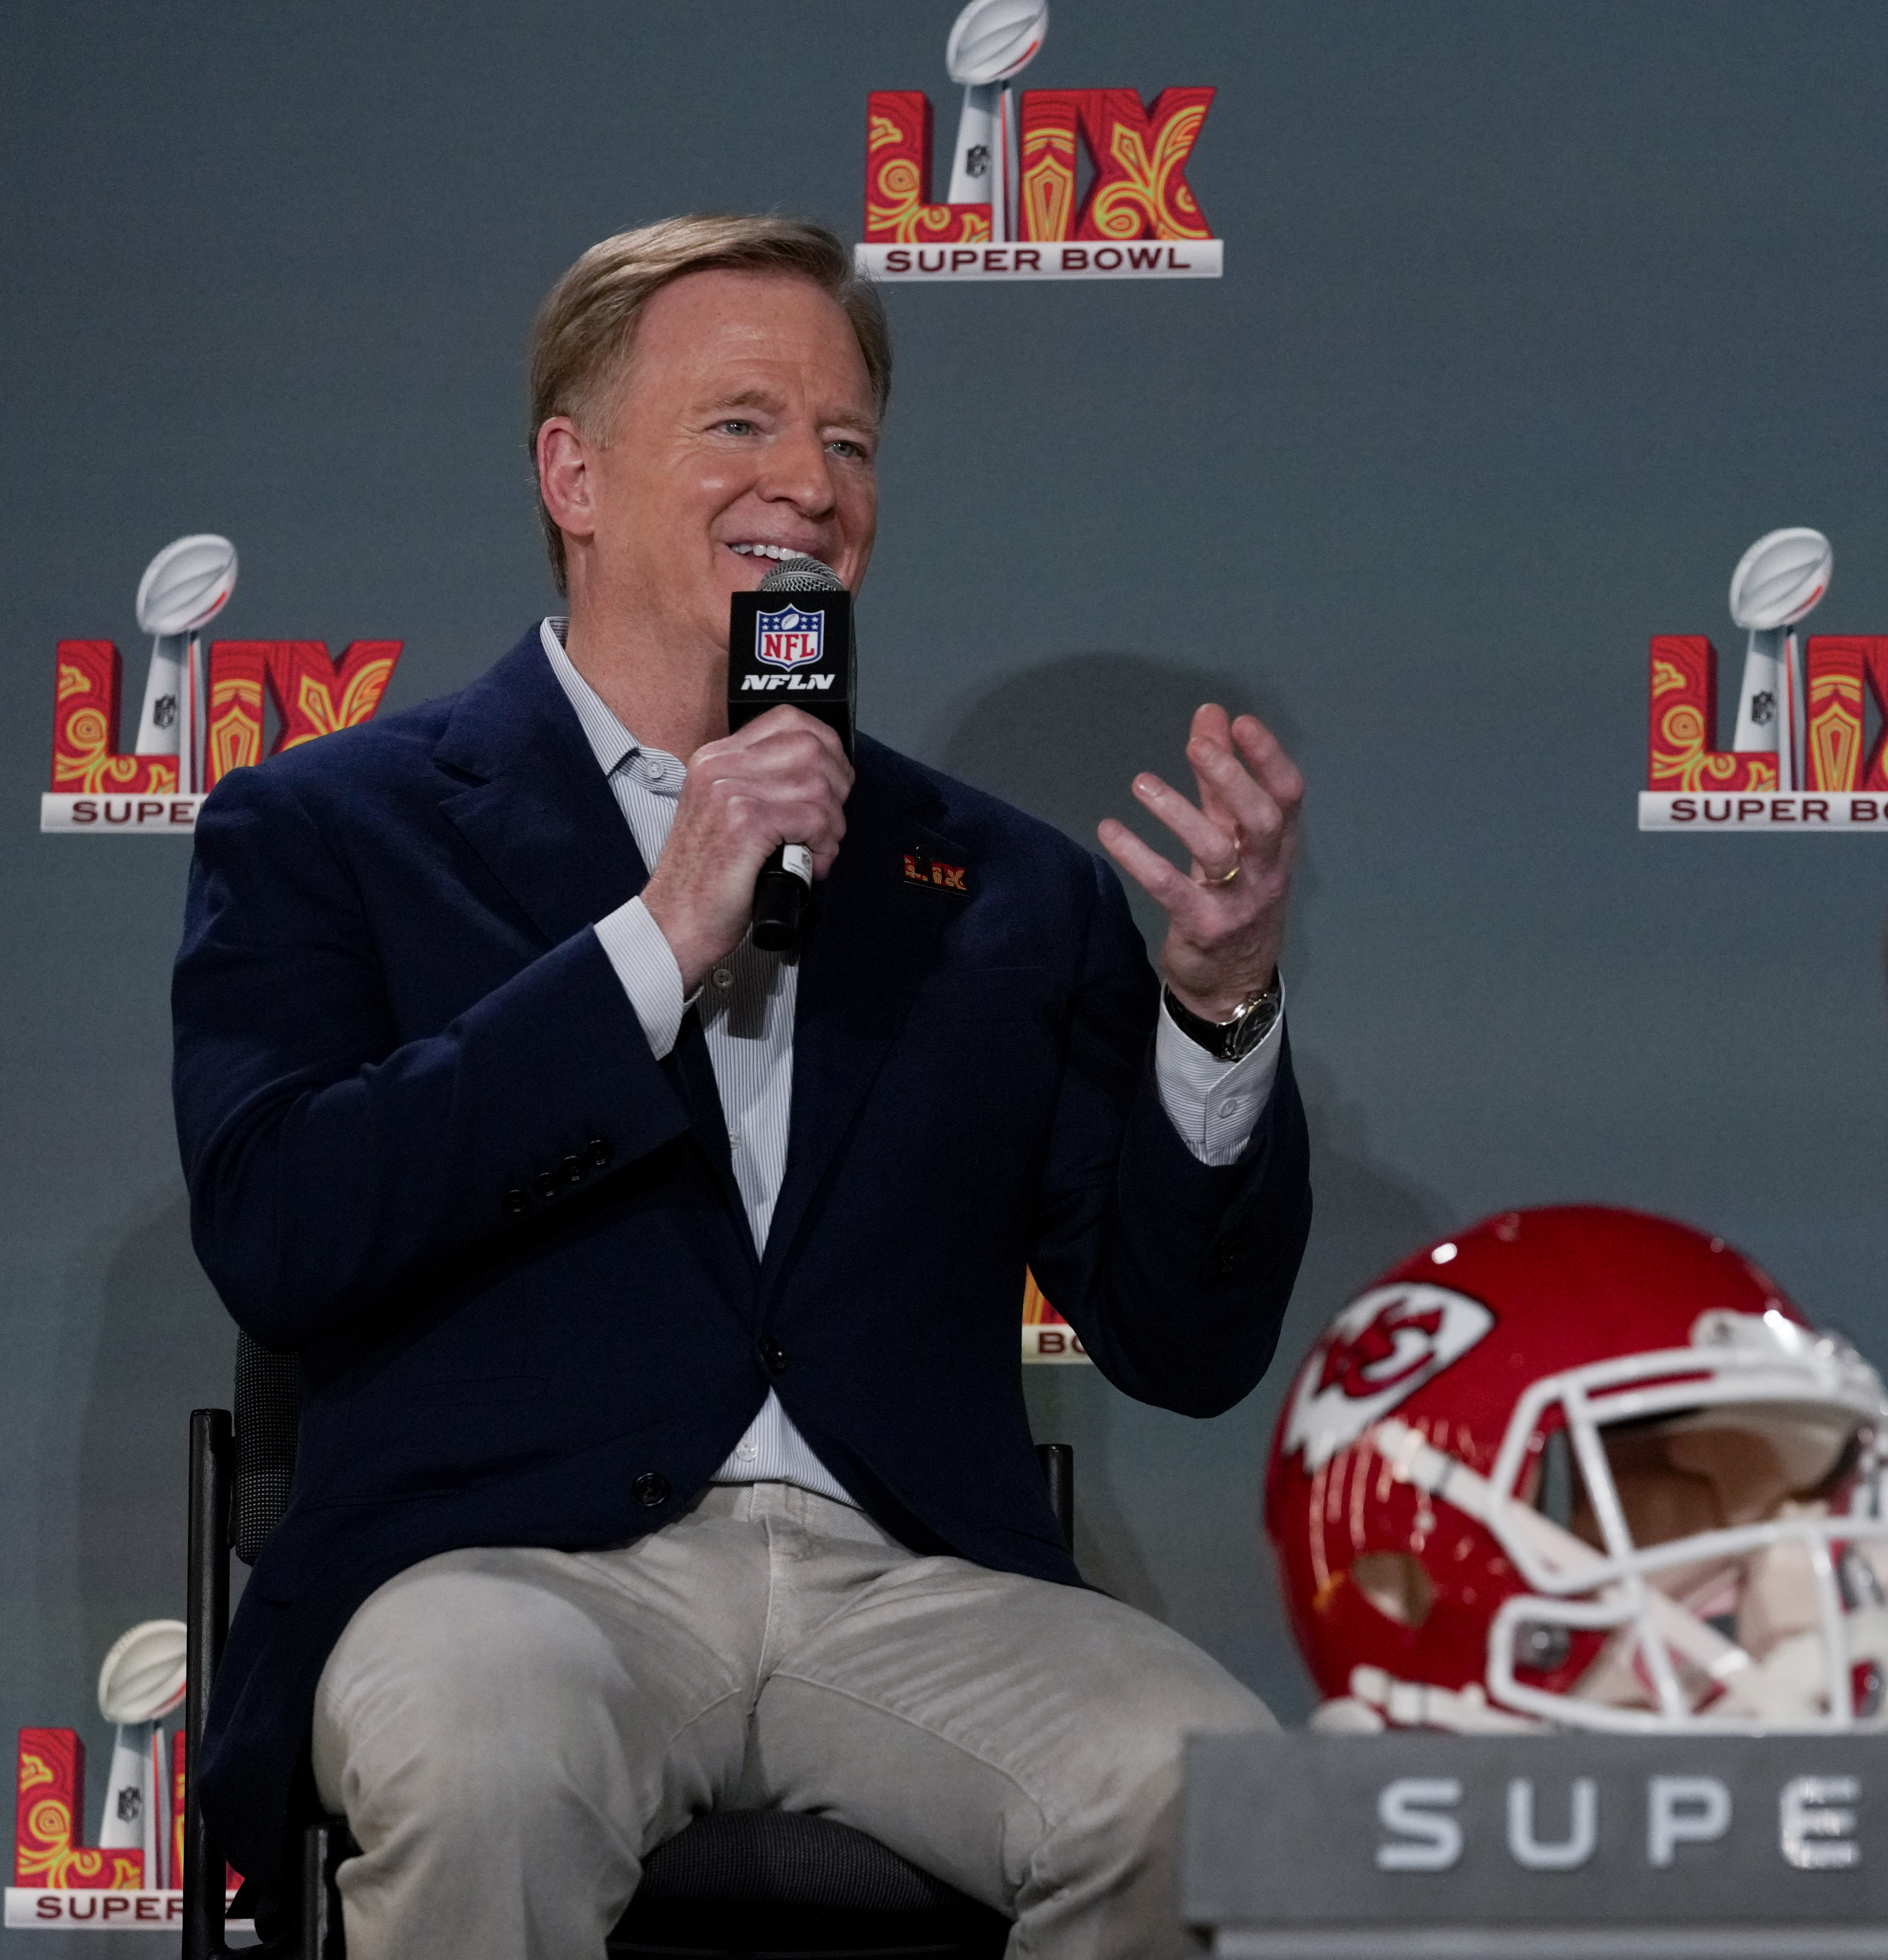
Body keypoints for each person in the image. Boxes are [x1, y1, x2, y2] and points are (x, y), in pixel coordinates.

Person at [170, 214, 1312, 1960]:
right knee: (487, 1756)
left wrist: (1219, 1015)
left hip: (911, 1586)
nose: (811, 483)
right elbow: (283, 1226)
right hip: (509, 1573)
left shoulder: (1001, 886)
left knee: (1206, 1790)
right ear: (572, 472)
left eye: (848, 440)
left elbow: (1183, 1339)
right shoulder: (334, 828)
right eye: (742, 424)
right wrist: (654, 940)